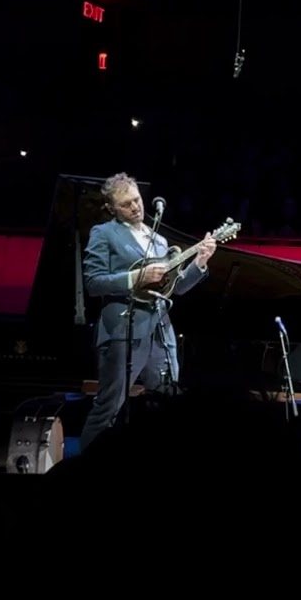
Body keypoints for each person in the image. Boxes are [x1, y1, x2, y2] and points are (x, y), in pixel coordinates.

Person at [78, 173, 218, 451]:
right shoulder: (104, 233)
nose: (135, 207)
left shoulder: (159, 241)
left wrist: (199, 263)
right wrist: (134, 279)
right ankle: (86, 469)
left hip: (160, 329)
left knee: (168, 404)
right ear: (112, 209)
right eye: (126, 204)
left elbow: (174, 289)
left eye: (137, 199)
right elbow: (93, 283)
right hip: (123, 329)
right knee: (110, 405)